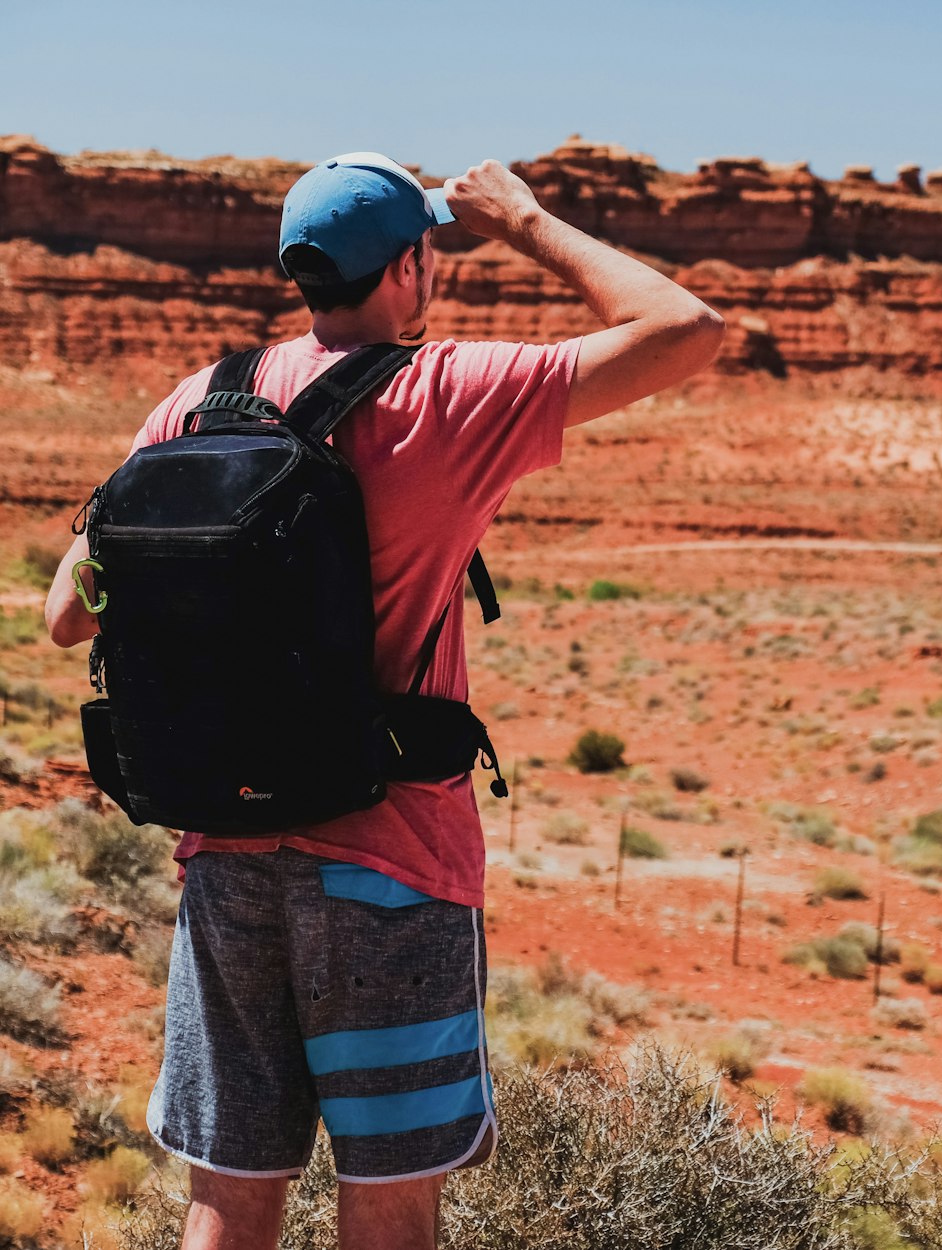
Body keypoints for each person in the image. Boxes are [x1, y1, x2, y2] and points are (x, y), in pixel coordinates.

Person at [45, 150, 725, 1250]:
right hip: (391, 864)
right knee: (392, 1206)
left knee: (225, 1198)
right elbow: (684, 327)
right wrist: (526, 219)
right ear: (409, 264)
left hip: (223, 858)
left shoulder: (194, 401)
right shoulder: (449, 392)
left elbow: (65, 618)